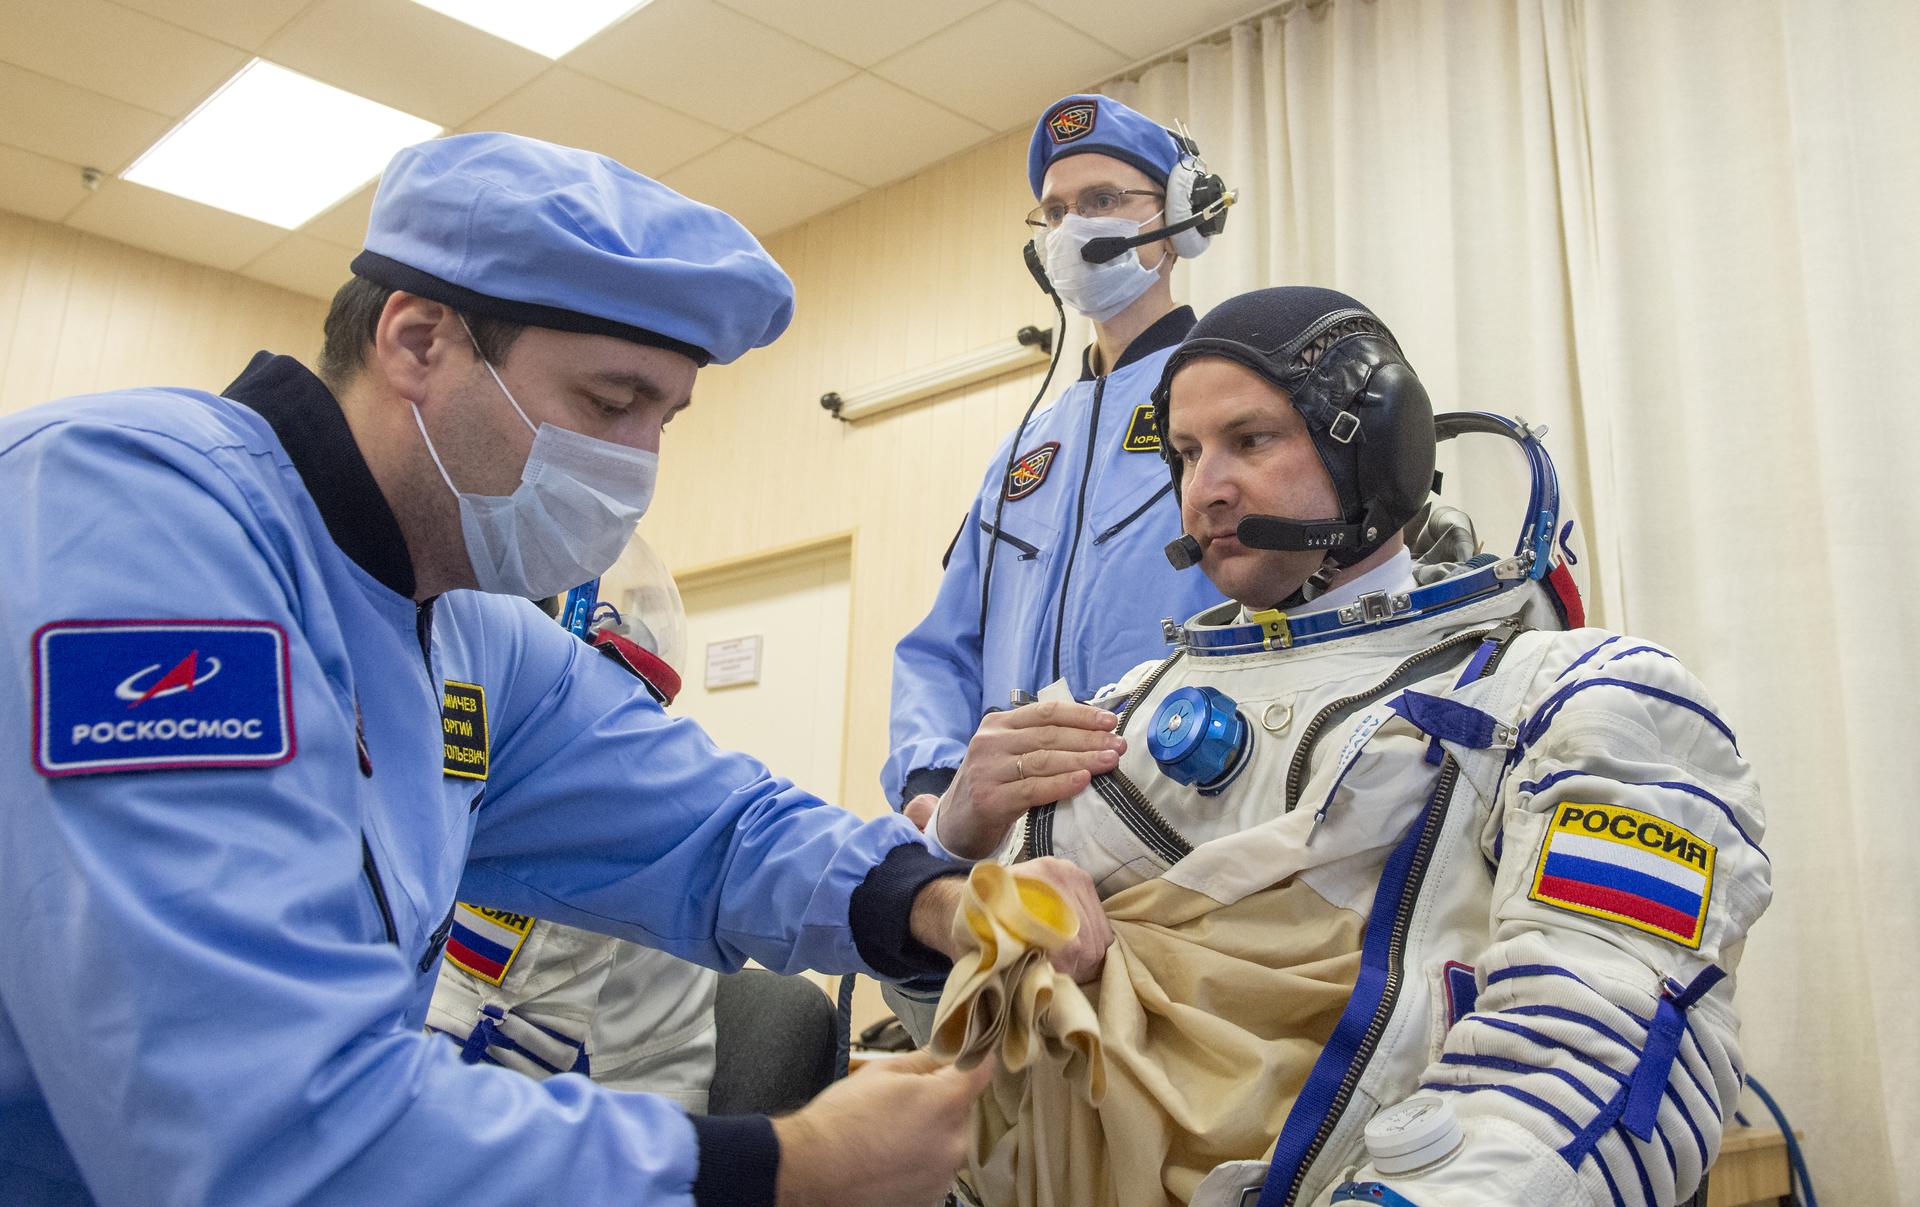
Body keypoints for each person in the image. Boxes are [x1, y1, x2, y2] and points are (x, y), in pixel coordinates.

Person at [0, 131, 1117, 1206]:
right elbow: (254, 1115)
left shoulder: (461, 629)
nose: (635, 464)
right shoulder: (135, 522)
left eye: (664, 418)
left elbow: (710, 826)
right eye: (608, 403)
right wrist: (776, 1169)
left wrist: (935, 895)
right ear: (418, 340)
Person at [926, 287, 1771, 1207]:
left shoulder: (1572, 696)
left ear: (1376, 444)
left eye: (1250, 441)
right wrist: (961, 855)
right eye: (1185, 453)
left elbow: (1595, 1047)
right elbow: (974, 1041)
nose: (1203, 488)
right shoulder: (1113, 717)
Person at [885, 94, 1232, 826]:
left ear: (1179, 220)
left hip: (1187, 812)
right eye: (1055, 211)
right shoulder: (1022, 453)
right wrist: (932, 783)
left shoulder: (1240, 405)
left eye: (1103, 199)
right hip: (1010, 843)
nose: (1074, 229)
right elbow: (940, 649)